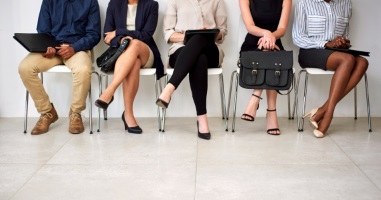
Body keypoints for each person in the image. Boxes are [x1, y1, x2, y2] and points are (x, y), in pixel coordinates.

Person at [18, 0, 101, 135]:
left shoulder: (90, 2)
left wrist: (74, 48)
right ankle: (47, 112)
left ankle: (75, 113)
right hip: (52, 49)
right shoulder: (49, 1)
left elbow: (94, 34)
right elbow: (43, 31)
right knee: (25, 67)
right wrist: (47, 46)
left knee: (83, 69)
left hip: (77, 49)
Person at [292, 0, 368, 138]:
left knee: (362, 62)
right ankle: (329, 115)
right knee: (348, 60)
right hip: (310, 51)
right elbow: (297, 37)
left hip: (336, 53)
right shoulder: (304, 2)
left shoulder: (345, 3)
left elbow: (345, 34)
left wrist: (343, 42)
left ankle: (322, 110)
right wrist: (326, 43)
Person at [156, 0, 227, 140]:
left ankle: (169, 88)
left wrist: (208, 35)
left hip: (211, 49)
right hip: (180, 50)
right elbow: (168, 34)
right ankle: (202, 119)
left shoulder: (217, 1)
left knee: (200, 39)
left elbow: (223, 32)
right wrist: (190, 37)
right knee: (199, 58)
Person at [94, 0, 164, 134]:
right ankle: (128, 115)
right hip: (123, 54)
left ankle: (110, 91)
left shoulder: (151, 5)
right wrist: (121, 40)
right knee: (134, 63)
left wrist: (119, 32)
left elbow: (146, 35)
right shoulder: (114, 4)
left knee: (136, 44)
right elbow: (107, 36)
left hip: (145, 52)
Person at [239, 0, 292, 135]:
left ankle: (255, 97)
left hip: (275, 43)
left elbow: (282, 29)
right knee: (272, 59)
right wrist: (266, 34)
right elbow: (250, 26)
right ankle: (271, 112)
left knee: (271, 55)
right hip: (251, 46)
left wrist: (270, 37)